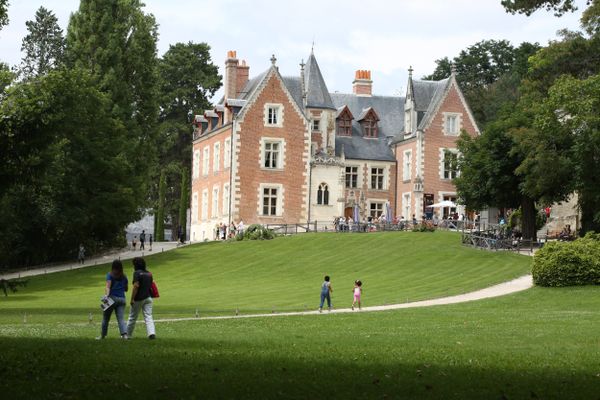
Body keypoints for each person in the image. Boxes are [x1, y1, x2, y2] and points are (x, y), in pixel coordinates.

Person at [126, 257, 156, 339]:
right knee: (148, 316)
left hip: (139, 298)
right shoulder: (149, 273)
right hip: (148, 298)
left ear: (135, 265)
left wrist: (132, 299)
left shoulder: (136, 273)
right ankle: (151, 333)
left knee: (132, 317)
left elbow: (136, 286)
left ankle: (127, 335)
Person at [98, 260, 129, 339]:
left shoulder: (110, 275)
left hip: (112, 298)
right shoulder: (124, 276)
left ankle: (102, 335)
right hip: (122, 299)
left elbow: (108, 287)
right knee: (121, 318)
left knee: (105, 318)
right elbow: (126, 289)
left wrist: (106, 297)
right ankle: (124, 335)